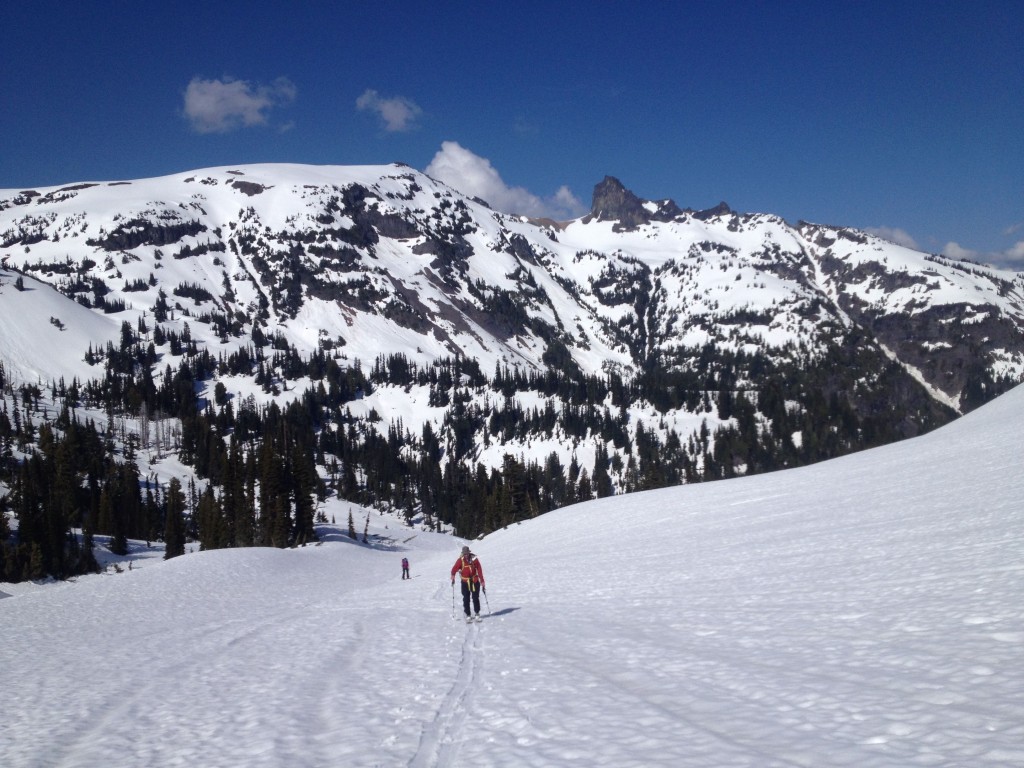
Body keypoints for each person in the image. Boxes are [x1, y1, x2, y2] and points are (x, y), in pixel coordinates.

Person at [450, 545, 485, 621]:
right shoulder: (460, 560)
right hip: (465, 582)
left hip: (474, 580)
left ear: (469, 552)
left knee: (475, 597)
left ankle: (477, 613)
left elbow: (479, 570)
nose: (466, 555)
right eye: (465, 554)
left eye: (467, 553)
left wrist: (482, 580)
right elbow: (454, 568)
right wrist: (453, 575)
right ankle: (468, 614)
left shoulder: (474, 559)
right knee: (466, 598)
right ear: (463, 553)